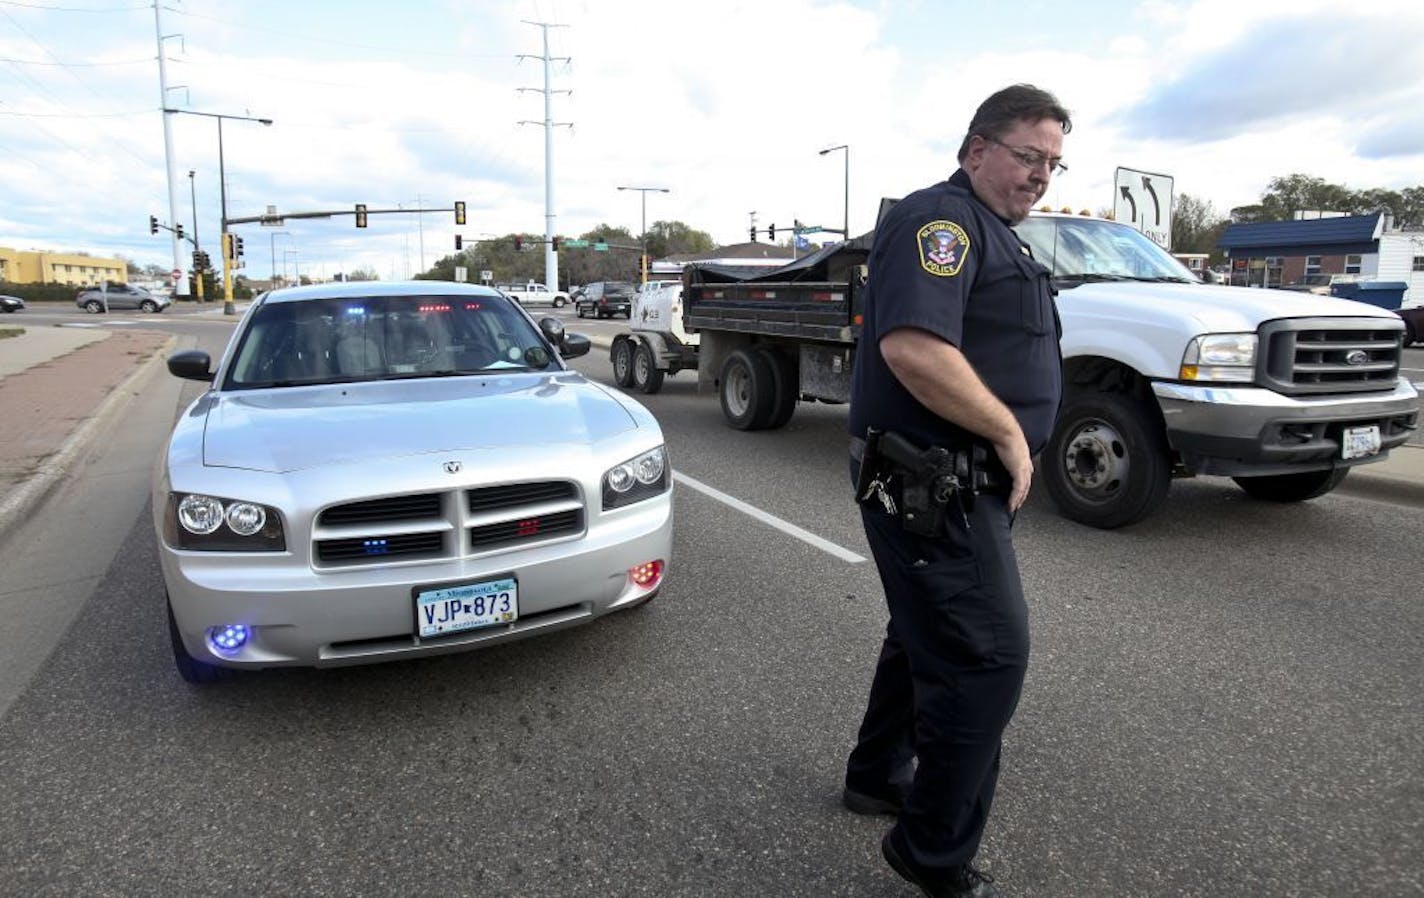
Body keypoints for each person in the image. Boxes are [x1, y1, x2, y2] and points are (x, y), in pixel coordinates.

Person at [843, 84, 1071, 898]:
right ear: (977, 149)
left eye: (1052, 161)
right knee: (986, 658)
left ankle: (876, 776)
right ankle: (930, 849)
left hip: (948, 482)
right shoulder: (941, 222)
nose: (1041, 174)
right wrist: (1010, 433)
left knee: (922, 633)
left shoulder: (999, 233)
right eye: (1027, 155)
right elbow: (914, 347)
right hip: (933, 480)